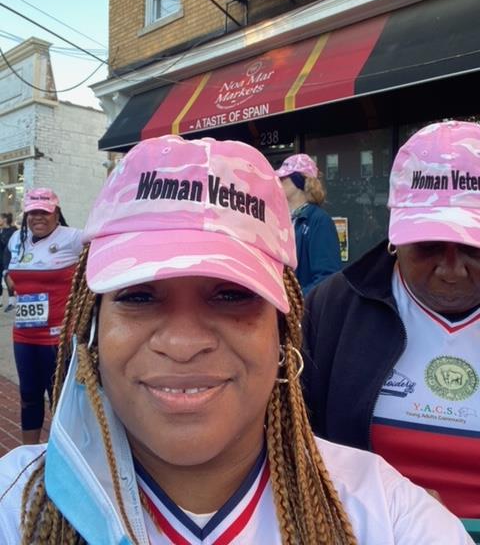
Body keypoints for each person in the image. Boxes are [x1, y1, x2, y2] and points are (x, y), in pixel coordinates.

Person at [0, 135, 472, 545]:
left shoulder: (390, 518)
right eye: (139, 295)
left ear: (284, 330)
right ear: (93, 325)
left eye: (232, 293)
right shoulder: (15, 504)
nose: (183, 343)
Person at [301, 120, 480, 520]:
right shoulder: (334, 308)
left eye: (474, 248)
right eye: (429, 246)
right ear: (395, 236)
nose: (452, 270)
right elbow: (293, 439)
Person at [5, 188, 83, 445]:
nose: (38, 217)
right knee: (28, 396)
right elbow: (10, 265)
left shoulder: (72, 238)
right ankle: (29, 453)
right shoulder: (18, 238)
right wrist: (8, 275)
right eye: (33, 212)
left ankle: (65, 455)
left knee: (60, 398)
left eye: (45, 212)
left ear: (56, 213)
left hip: (57, 338)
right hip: (23, 335)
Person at [276, 153, 341, 295]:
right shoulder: (282, 220)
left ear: (299, 181)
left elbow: (327, 278)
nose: (279, 180)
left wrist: (294, 303)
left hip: (303, 314)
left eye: (284, 176)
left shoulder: (319, 220)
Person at [0, 213, 17, 311]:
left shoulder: (13, 231)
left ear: (5, 219)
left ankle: (12, 302)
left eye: (0, 218)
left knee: (9, 280)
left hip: (9, 259)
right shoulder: (2, 231)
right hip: (1, 258)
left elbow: (8, 244)